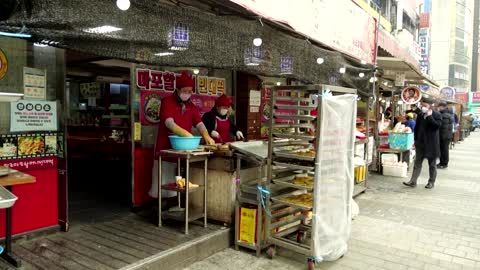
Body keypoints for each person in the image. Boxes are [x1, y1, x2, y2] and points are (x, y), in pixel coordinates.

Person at [149, 71, 215, 199]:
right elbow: (168, 122)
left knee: (179, 183)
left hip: (183, 150)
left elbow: (199, 123)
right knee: (162, 181)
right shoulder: (167, 102)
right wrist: (185, 134)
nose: (188, 94)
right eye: (185, 91)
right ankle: (160, 208)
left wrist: (206, 134)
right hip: (166, 147)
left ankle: (176, 205)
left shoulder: (191, 106)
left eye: (190, 91)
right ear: (178, 89)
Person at [403, 102, 442, 189]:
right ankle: (413, 181)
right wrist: (415, 140)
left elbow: (437, 126)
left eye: (425, 106)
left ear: (430, 106)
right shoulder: (420, 114)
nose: (423, 107)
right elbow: (417, 128)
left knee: (432, 164)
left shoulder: (437, 114)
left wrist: (430, 116)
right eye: (422, 105)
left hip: (431, 144)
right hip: (420, 143)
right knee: (417, 163)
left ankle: (431, 182)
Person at [437, 102, 453, 169]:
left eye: (439, 107)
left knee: (444, 150)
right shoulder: (447, 114)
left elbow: (444, 128)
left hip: (444, 136)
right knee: (443, 150)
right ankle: (442, 163)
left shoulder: (444, 115)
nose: (438, 108)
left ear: (442, 107)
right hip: (446, 136)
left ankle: (444, 164)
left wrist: (441, 137)